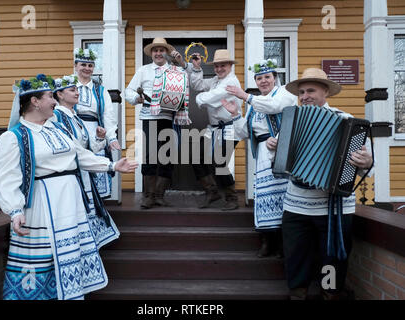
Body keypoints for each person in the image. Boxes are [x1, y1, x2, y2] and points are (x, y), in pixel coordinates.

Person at [0, 74, 138, 300]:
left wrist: (112, 165)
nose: (54, 101)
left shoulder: (56, 128)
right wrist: (15, 210)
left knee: (69, 255)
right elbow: (6, 178)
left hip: (70, 203)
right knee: (46, 255)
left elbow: (80, 156)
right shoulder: (15, 137)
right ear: (35, 102)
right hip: (44, 205)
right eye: (50, 96)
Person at [268, 68, 373, 300]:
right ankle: (298, 294)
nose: (305, 96)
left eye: (311, 90)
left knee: (332, 257)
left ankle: (329, 293)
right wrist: (273, 151)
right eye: (302, 92)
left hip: (334, 207)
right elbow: (279, 168)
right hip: (296, 204)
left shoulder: (346, 121)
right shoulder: (290, 122)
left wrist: (366, 161)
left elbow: (366, 162)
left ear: (325, 91)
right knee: (296, 255)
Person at [221, 59, 297, 256]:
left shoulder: (283, 93)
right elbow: (244, 132)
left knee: (282, 198)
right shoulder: (254, 104)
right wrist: (235, 114)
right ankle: (267, 241)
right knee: (264, 198)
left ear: (275, 78)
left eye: (267, 77)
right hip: (263, 154)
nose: (263, 81)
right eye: (259, 78)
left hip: (282, 151)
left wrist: (244, 96)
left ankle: (282, 245)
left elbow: (274, 106)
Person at [52, 74, 120, 250]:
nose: (77, 93)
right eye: (72, 90)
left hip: (82, 175)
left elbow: (88, 150)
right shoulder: (57, 118)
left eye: (77, 90)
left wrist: (99, 138)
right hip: (72, 177)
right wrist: (111, 165)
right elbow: (74, 152)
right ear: (59, 95)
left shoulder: (75, 118)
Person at [125, 37, 190, 209]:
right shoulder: (143, 71)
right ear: (152, 53)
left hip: (169, 118)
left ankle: (160, 196)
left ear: (166, 53)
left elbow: (190, 80)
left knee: (167, 157)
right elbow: (128, 91)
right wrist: (136, 98)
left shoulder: (176, 70)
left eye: (162, 50)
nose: (158, 53)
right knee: (150, 157)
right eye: (156, 50)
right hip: (149, 117)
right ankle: (149, 196)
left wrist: (182, 62)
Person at [180, 49, 243, 210]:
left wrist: (200, 98)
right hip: (213, 128)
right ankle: (212, 192)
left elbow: (206, 98)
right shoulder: (215, 80)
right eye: (217, 66)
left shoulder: (232, 82)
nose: (219, 69)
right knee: (196, 155)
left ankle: (232, 198)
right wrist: (196, 68)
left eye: (223, 65)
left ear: (230, 66)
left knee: (220, 162)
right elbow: (198, 84)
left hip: (230, 128)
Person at [74, 47, 120, 199]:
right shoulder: (68, 87)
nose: (87, 68)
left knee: (96, 168)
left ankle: (97, 211)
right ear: (76, 66)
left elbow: (108, 115)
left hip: (96, 133)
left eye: (90, 65)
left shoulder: (100, 90)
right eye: (83, 65)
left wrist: (111, 137)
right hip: (73, 131)